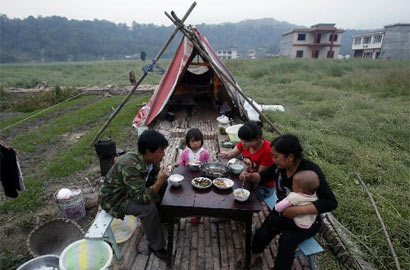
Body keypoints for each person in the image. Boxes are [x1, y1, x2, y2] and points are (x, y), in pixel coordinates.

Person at [239, 134, 337, 270]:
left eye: (276, 156)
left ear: (290, 157)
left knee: (287, 240)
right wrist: (249, 176)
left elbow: (331, 202)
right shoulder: (280, 167)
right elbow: (262, 176)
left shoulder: (310, 172)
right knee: (263, 233)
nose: (273, 160)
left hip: (307, 219)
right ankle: (254, 255)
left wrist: (297, 211)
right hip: (284, 211)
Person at [100, 130, 170, 260]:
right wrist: (159, 181)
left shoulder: (150, 160)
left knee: (165, 186)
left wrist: (160, 180)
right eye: (160, 151)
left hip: (131, 190)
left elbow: (152, 178)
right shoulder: (129, 165)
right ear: (148, 152)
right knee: (148, 209)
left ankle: (162, 217)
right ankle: (156, 246)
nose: (163, 154)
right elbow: (142, 198)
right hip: (116, 199)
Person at [219, 121, 274, 199]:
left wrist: (247, 175)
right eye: (241, 139)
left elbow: (260, 177)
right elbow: (232, 154)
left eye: (247, 141)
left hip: (263, 186)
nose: (243, 143)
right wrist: (226, 154)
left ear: (257, 138)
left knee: (245, 198)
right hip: (249, 178)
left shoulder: (268, 150)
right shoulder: (244, 143)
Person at [177, 128, 210, 224]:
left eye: (198, 141)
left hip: (200, 177)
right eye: (192, 141)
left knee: (200, 196)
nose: (195, 143)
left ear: (201, 141)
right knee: (189, 194)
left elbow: (208, 163)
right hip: (188, 176)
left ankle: (198, 215)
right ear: (188, 142)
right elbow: (181, 161)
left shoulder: (204, 153)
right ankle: (187, 210)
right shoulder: (186, 152)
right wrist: (179, 166)